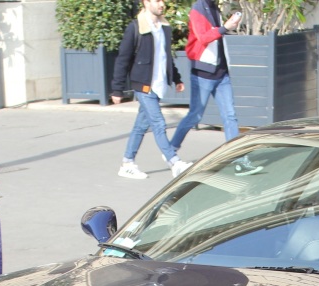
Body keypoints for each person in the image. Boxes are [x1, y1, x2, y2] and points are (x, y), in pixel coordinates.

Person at [169, 0, 261, 175]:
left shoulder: (214, 8)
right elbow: (203, 37)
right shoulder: (198, 8)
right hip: (203, 72)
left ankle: (238, 160)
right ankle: (171, 149)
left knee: (230, 116)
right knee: (195, 115)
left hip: (222, 72)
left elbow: (217, 36)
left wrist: (229, 26)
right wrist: (225, 27)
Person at [111, 0, 191, 180]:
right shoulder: (136, 27)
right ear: (145, 3)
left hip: (158, 84)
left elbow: (165, 56)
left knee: (140, 126)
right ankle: (174, 161)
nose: (161, 4)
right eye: (157, 0)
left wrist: (176, 78)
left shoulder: (164, 27)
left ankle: (127, 162)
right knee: (158, 123)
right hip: (144, 84)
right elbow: (123, 59)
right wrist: (117, 89)